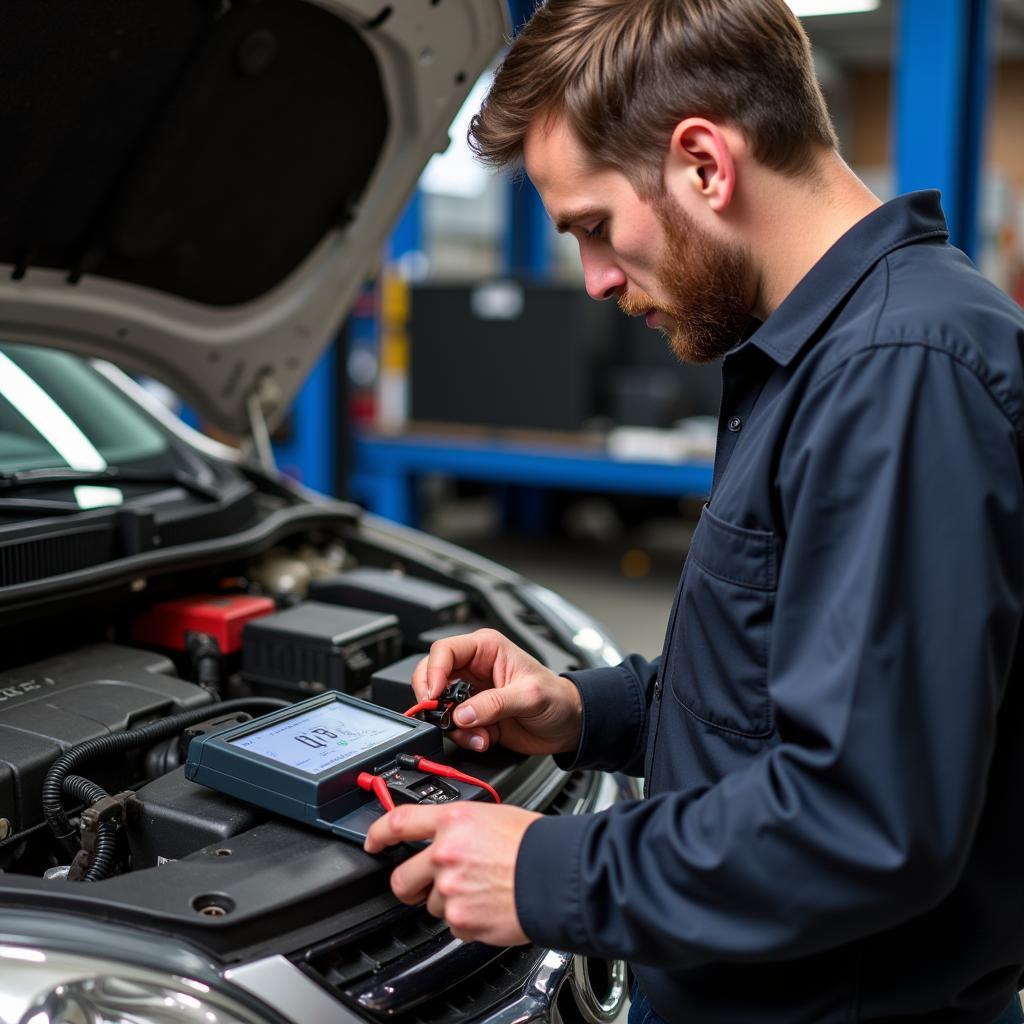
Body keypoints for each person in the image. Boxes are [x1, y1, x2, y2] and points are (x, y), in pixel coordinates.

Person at [364, 1, 1024, 1020]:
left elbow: (866, 819)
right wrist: (589, 710)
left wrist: (548, 869)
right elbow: (796, 681)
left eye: (593, 227)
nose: (592, 279)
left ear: (704, 164)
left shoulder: (899, 375)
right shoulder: (819, 354)